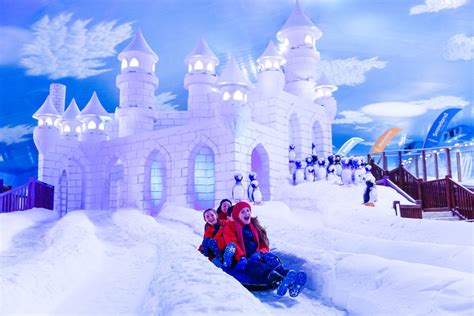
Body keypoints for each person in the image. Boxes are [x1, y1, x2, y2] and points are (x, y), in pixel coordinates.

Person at [221, 201, 307, 297]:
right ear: (237, 215)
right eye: (243, 212)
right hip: (243, 259)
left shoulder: (254, 227)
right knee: (257, 266)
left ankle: (290, 278)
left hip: (257, 256)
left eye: (248, 210)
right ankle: (280, 280)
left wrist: (260, 253)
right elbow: (233, 244)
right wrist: (241, 257)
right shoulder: (231, 227)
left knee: (270, 258)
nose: (247, 213)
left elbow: (264, 245)